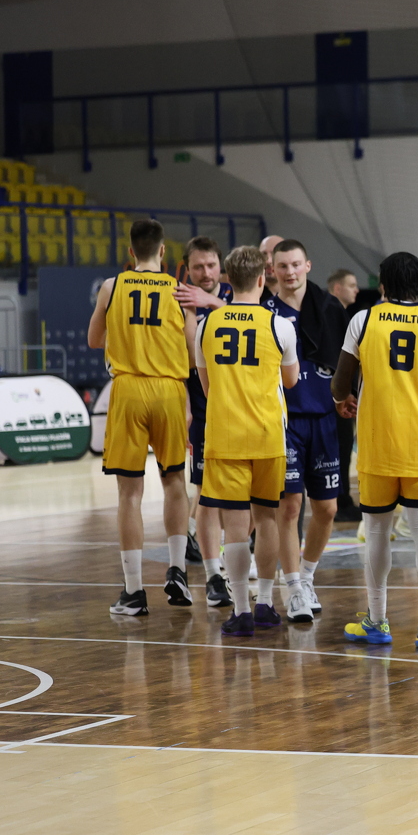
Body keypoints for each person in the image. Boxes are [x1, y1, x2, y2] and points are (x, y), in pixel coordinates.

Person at [331, 252, 418, 649]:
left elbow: (340, 384)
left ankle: (377, 620)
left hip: (377, 443)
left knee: (377, 534)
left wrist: (343, 399)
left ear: (382, 285)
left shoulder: (364, 319)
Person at [88, 218, 194, 617]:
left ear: (131, 251)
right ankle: (178, 569)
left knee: (129, 494)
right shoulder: (178, 291)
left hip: (129, 389)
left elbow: (94, 340)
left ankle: (134, 591)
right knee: (174, 483)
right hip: (169, 390)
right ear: (163, 251)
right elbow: (193, 351)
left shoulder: (112, 286)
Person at [194, 246, 300, 636]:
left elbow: (206, 386)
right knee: (267, 519)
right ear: (262, 278)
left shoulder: (207, 324)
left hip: (225, 435)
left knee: (235, 526)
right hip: (268, 434)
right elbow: (291, 380)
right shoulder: (280, 325)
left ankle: (240, 610)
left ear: (227, 279)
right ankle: (266, 604)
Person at [267, 239, 347, 624]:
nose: (290, 272)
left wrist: (349, 395)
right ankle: (294, 587)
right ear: (273, 270)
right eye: (283, 266)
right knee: (289, 506)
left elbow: (350, 360)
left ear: (308, 265)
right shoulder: (266, 313)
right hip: (286, 422)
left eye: (296, 264)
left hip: (326, 420)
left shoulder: (330, 309)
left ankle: (308, 576)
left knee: (328, 509)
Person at [174, 236, 233, 607]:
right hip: (201, 402)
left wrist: (212, 303)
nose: (206, 272)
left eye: (211, 265)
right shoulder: (178, 300)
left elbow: (257, 321)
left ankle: (225, 550)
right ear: (187, 268)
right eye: (198, 266)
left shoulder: (233, 294)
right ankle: (212, 564)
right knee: (205, 484)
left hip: (239, 403)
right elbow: (187, 354)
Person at [326, 267, 363, 523]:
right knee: (338, 446)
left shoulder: (341, 314)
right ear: (337, 288)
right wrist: (344, 393)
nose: (357, 290)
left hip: (341, 394)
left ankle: (342, 499)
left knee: (343, 446)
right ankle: (339, 500)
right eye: (351, 285)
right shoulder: (331, 314)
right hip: (333, 396)